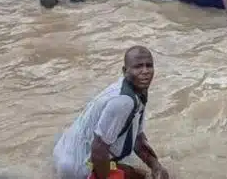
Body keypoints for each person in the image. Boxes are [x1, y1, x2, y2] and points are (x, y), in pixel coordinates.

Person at [53, 46, 169, 179]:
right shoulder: (124, 101)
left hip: (66, 150)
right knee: (137, 176)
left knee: (144, 175)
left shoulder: (136, 89)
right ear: (125, 71)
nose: (145, 71)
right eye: (138, 67)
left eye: (149, 66)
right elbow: (98, 150)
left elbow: (137, 137)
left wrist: (156, 166)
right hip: (77, 166)